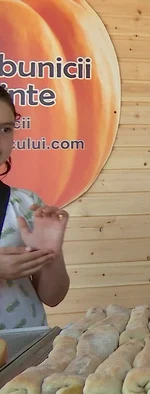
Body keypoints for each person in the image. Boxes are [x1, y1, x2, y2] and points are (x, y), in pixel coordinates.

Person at [0, 85, 70, 330]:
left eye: (5, 129)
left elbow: (53, 297)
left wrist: (52, 254)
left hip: (25, 354)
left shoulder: (27, 204)